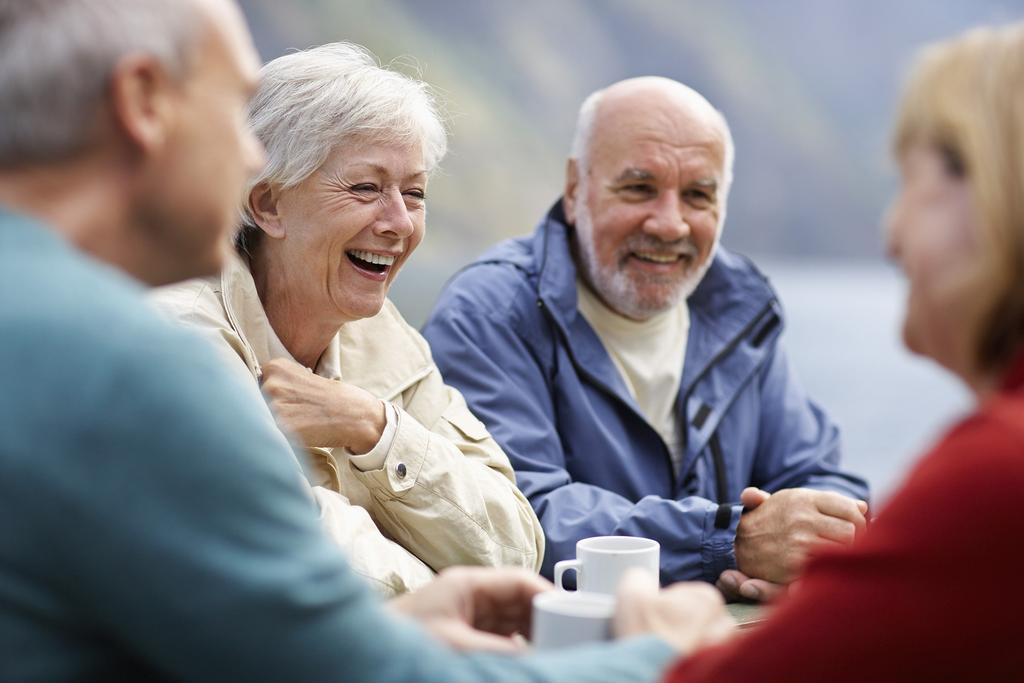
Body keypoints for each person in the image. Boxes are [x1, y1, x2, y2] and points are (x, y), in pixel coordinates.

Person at [0, 0, 732, 680]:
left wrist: (378, 445)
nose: (247, 154)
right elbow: (366, 667)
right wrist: (660, 649)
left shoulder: (47, 317)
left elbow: (511, 542)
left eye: (414, 192)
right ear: (143, 104)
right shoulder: (138, 365)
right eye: (231, 110)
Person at [668, 22, 1024, 681]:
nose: (890, 236)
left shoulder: (997, 471)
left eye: (909, 184)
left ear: (991, 196)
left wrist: (654, 633)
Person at [422, 76, 870, 597]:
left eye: (699, 195)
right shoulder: (489, 314)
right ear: (575, 189)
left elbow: (819, 474)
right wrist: (733, 542)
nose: (669, 224)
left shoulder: (739, 306)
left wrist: (810, 554)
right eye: (639, 188)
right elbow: (513, 515)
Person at [151, 42, 543, 596]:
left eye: (415, 193)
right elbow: (285, 551)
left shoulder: (384, 336)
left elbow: (515, 546)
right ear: (267, 205)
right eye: (366, 188)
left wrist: (374, 429)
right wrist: (455, 596)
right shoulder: (180, 336)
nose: (400, 223)